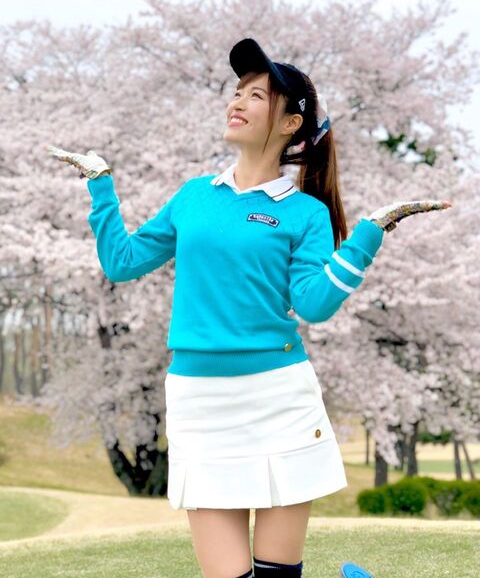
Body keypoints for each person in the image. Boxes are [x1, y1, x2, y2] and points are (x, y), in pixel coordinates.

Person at [46, 37, 451, 578]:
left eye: (256, 95)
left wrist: (368, 235)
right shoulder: (194, 196)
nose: (237, 101)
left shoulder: (305, 213)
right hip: (198, 402)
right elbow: (121, 262)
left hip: (278, 397)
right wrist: (101, 186)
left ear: (290, 124)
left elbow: (314, 304)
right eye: (237, 91)